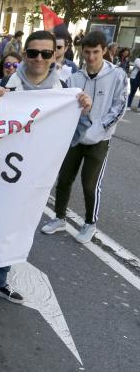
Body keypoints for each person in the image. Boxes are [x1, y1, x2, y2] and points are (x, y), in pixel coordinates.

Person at [0, 31, 92, 322]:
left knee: (17, 232)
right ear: (24, 55)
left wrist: (83, 112)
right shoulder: (3, 85)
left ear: (55, 56)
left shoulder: (65, 92)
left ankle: (0, 280)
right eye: (33, 53)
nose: (38, 59)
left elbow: (72, 138)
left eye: (46, 53)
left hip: (34, 179)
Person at [42, 30, 127, 244]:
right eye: (87, 52)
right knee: (64, 179)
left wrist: (99, 129)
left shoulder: (118, 75)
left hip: (100, 140)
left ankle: (90, 224)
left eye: (96, 52)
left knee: (90, 184)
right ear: (81, 51)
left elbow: (119, 107)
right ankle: (59, 217)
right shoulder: (75, 78)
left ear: (104, 51)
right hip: (75, 138)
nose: (91, 57)